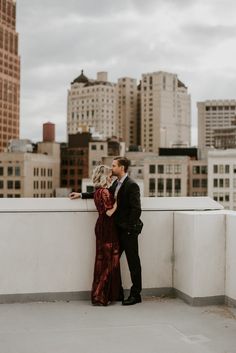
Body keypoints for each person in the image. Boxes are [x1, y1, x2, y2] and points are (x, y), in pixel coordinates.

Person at [70, 156, 143, 306]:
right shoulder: (116, 183)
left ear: (122, 168)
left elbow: (136, 210)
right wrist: (82, 195)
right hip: (115, 230)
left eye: (114, 165)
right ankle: (118, 293)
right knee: (113, 263)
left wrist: (129, 228)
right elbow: (102, 193)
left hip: (128, 231)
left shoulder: (132, 185)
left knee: (133, 263)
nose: (112, 168)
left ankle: (136, 295)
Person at [71, 165, 122, 306]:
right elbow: (109, 212)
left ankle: (99, 294)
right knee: (109, 261)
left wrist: (80, 194)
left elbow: (96, 199)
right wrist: (119, 202)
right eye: (110, 174)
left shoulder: (98, 191)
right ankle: (100, 295)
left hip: (101, 226)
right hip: (107, 227)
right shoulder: (105, 192)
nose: (111, 176)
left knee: (102, 261)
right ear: (105, 176)